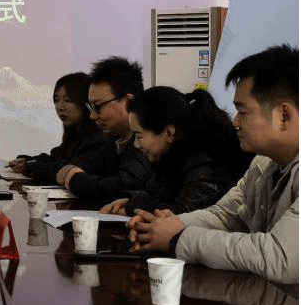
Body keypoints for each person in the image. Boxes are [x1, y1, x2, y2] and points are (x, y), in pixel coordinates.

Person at [129, 45, 299, 285]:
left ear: (284, 116)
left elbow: (279, 257)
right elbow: (224, 216)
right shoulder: (264, 163)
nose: (235, 122)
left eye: (242, 112)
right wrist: (167, 224)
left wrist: (178, 238)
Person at [100, 87, 252, 215]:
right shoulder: (170, 157)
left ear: (169, 132)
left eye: (139, 136)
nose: (136, 145)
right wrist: (130, 202)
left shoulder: (206, 162)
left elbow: (185, 214)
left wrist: (134, 207)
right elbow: (152, 195)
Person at [55, 56, 153, 203]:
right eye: (91, 107)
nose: (92, 116)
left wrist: (73, 179)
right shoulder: (113, 140)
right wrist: (70, 170)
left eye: (98, 107)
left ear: (128, 102)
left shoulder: (149, 140)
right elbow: (87, 165)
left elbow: (124, 186)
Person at [9, 72, 107, 183]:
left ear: (86, 102)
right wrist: (28, 161)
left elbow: (68, 168)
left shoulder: (98, 138)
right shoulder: (74, 133)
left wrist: (28, 167)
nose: (60, 107)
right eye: (56, 100)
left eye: (68, 100)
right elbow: (56, 158)